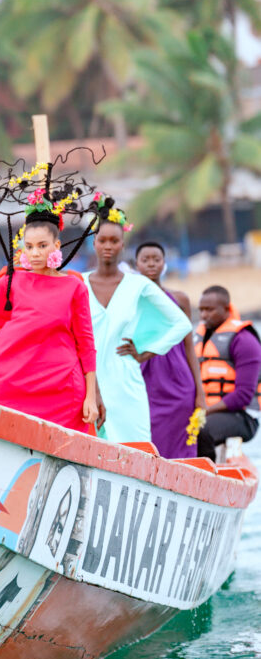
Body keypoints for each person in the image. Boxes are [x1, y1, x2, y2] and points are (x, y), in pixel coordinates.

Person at [0, 183, 98, 432]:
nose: (35, 253)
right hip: (10, 382)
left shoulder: (74, 287)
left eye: (42, 245)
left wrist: (91, 397)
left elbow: (86, 344)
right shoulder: (13, 281)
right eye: (29, 247)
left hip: (61, 389)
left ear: (56, 246)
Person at [82, 197, 191, 444]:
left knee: (137, 450)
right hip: (87, 385)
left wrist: (145, 352)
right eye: (102, 240)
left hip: (126, 385)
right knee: (88, 451)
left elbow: (182, 324)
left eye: (114, 241)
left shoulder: (138, 285)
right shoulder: (79, 283)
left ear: (123, 244)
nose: (108, 246)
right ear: (94, 243)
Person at [132, 241, 206, 458]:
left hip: (178, 378)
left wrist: (199, 391)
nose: (151, 264)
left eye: (156, 259)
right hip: (144, 376)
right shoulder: (130, 299)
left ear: (164, 263)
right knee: (146, 440)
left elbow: (189, 346)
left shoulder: (180, 299)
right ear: (136, 264)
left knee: (182, 440)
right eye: (145, 260)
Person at [193, 285, 261, 461]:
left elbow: (243, 395)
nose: (203, 315)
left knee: (201, 431)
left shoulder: (245, 340)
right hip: (206, 411)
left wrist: (205, 411)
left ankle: (206, 472)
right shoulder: (197, 338)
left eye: (209, 310)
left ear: (226, 309)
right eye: (201, 310)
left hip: (242, 416)